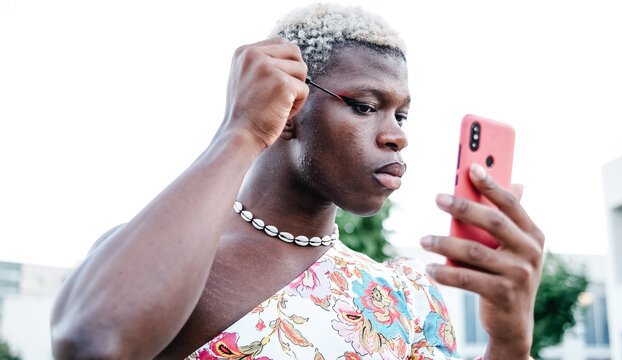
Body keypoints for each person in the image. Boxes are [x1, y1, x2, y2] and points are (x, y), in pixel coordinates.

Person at [51, 3, 544, 359]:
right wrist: (240, 131)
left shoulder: (407, 295)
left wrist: (510, 342)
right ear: (288, 108)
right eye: (366, 107)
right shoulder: (169, 263)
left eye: (403, 115)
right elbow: (93, 341)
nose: (396, 136)